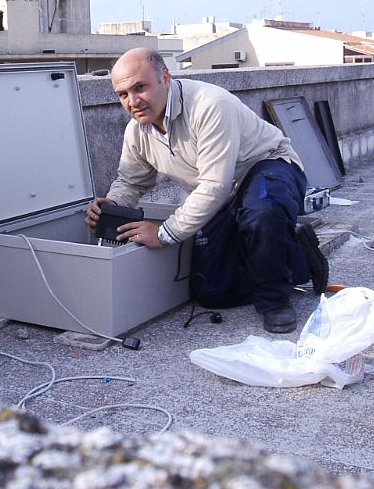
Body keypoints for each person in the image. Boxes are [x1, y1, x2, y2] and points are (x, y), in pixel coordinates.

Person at [85, 48, 328, 333]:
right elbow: (131, 181)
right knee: (212, 293)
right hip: (223, 196)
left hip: (268, 168)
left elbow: (215, 184)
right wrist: (111, 206)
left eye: (140, 87)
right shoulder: (137, 131)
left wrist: (163, 233)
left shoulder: (209, 105)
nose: (132, 101)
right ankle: (297, 254)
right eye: (123, 94)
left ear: (165, 77)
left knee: (263, 211)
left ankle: (274, 302)